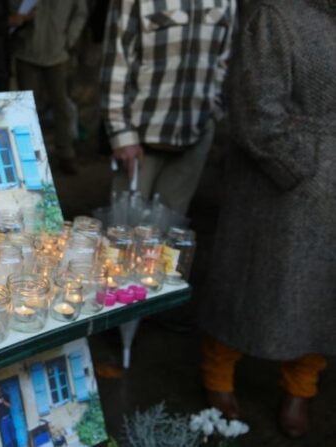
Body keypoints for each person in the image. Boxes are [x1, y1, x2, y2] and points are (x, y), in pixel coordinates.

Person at [199, 0, 335, 438]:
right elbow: (256, 111)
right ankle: (217, 376)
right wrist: (301, 168)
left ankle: (301, 390)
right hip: (279, 193)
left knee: (322, 299)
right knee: (248, 289)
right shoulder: (276, 17)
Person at [101, 0, 236, 215]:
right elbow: (116, 63)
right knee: (124, 232)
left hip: (195, 138)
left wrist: (212, 113)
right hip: (139, 142)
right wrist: (122, 135)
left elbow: (225, 60)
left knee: (170, 235)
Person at [10, 0, 88, 174]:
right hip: (27, 52)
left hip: (57, 54)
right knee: (28, 108)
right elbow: (12, 7)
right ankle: (29, 157)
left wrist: (69, 39)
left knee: (61, 104)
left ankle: (66, 153)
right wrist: (20, 25)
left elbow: (80, 13)